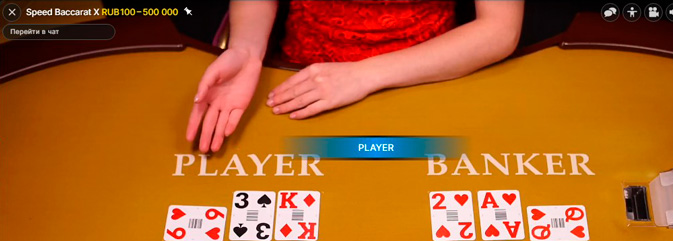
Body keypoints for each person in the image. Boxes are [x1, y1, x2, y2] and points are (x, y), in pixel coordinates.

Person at [186, 0, 524, 153]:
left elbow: (499, 28)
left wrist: (363, 75)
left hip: (429, 74)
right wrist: (246, 49)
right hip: (300, 77)